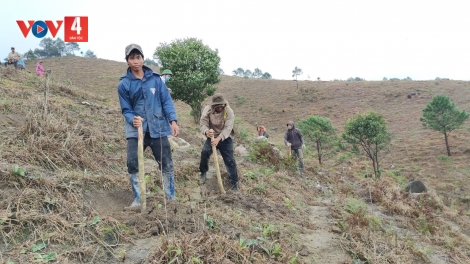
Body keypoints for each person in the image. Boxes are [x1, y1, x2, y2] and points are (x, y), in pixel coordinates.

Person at [117, 43, 180, 207]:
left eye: (138, 57)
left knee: (166, 162)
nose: (136, 61)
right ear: (127, 61)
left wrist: (173, 120)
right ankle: (138, 198)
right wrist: (133, 119)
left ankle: (170, 197)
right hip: (136, 130)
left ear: (143, 59)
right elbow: (126, 109)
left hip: (158, 126)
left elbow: (166, 101)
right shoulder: (124, 84)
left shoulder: (156, 80)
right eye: (132, 58)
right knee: (132, 162)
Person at [199, 94, 239, 192]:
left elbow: (228, 128)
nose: (219, 107)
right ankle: (203, 173)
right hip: (212, 136)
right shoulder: (207, 109)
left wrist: (219, 139)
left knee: (230, 160)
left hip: (225, 137)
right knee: (205, 153)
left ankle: (234, 183)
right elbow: (203, 123)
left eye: (221, 105)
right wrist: (206, 131)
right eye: (217, 106)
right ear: (213, 105)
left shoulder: (229, 111)